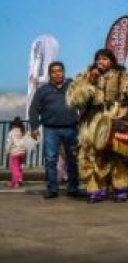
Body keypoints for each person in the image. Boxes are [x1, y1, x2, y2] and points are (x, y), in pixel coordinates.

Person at [67, 49, 128, 203]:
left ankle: (120, 189)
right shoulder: (87, 75)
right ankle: (95, 191)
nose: (100, 62)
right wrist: (89, 81)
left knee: (117, 155)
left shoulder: (122, 76)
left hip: (116, 118)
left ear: (112, 61)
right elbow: (74, 98)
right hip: (92, 122)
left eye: (104, 59)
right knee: (90, 156)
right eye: (98, 59)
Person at [28, 61, 80, 198]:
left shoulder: (73, 86)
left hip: (71, 128)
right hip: (50, 130)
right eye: (54, 72)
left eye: (60, 71)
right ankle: (52, 189)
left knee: (73, 159)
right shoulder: (43, 90)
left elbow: (84, 99)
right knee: (50, 160)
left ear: (64, 72)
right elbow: (34, 109)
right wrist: (34, 127)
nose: (57, 74)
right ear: (50, 74)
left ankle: (73, 188)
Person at [5, 117, 27, 188]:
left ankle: (16, 182)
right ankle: (16, 180)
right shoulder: (23, 132)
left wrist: (7, 150)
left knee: (14, 168)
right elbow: (26, 142)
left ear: (13, 125)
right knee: (19, 167)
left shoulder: (11, 132)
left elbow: (9, 142)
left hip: (15, 152)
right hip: (22, 152)